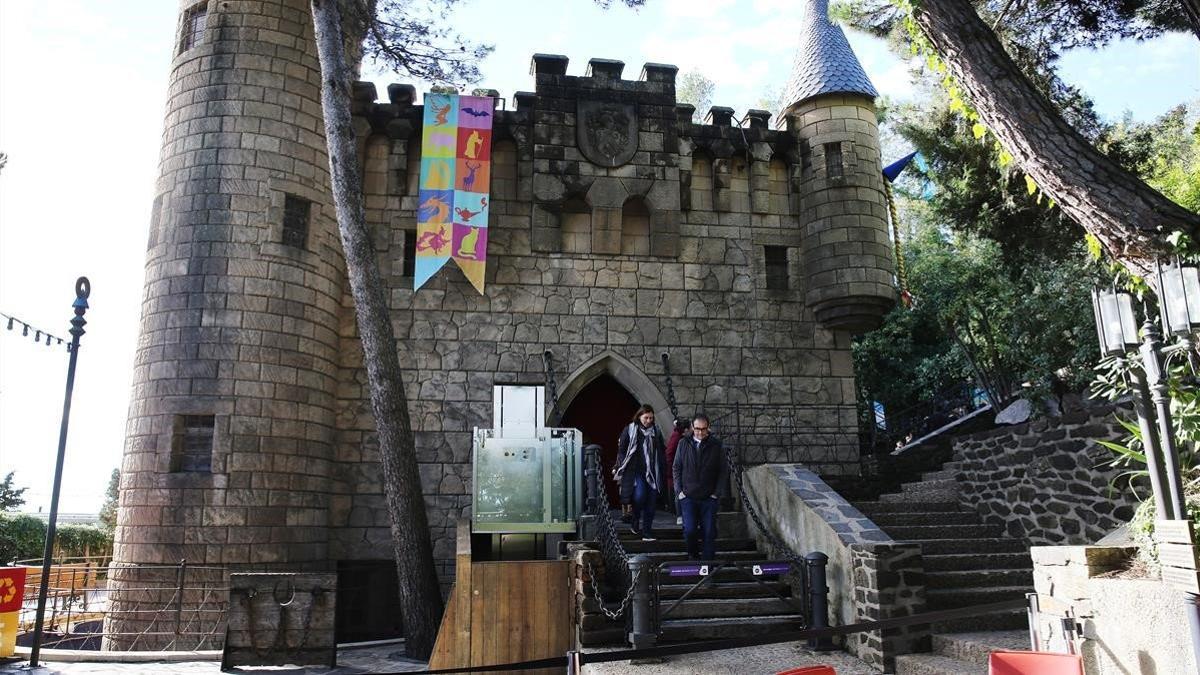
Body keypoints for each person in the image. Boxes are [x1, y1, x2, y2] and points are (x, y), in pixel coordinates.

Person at [672, 414, 728, 561]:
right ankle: (693, 555)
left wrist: (716, 493)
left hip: (709, 498)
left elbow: (723, 470)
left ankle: (708, 566)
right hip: (688, 497)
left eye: (703, 429)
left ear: (708, 428)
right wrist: (679, 492)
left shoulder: (716, 445)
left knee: (709, 532)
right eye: (697, 429)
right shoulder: (683, 443)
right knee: (690, 530)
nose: (700, 432)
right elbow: (676, 467)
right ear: (692, 427)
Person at [614, 404, 666, 542]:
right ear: (639, 417)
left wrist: (662, 466)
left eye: (651, 418)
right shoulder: (630, 430)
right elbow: (622, 449)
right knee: (640, 496)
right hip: (635, 471)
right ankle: (635, 519)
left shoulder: (656, 431)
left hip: (652, 471)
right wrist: (621, 464)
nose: (648, 420)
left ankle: (647, 531)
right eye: (646, 417)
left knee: (651, 502)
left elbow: (661, 449)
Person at [665, 417, 689, 525]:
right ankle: (679, 515)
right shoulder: (677, 437)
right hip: (676, 469)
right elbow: (669, 453)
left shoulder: (679, 437)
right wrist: (673, 467)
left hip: (679, 469)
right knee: (678, 492)